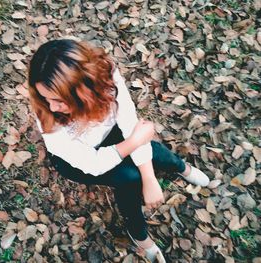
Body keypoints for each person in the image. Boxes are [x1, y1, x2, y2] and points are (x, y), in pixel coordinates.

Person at [28, 38, 210, 262]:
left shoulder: (106, 78)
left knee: (156, 153)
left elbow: (129, 122)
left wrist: (150, 178)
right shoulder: (48, 116)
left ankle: (182, 167)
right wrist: (133, 145)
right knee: (129, 178)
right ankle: (138, 233)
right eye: (46, 99)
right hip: (79, 160)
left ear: (84, 91)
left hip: (108, 134)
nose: (52, 107)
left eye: (58, 100)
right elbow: (91, 164)